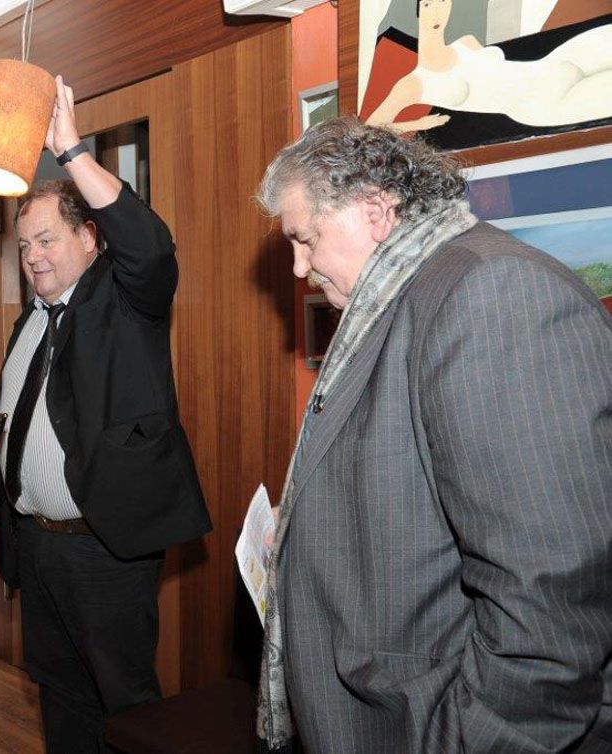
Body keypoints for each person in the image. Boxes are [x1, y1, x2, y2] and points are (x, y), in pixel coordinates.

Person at [254, 117, 612, 752]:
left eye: (305, 239)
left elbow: (548, 599)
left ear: (374, 210)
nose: (300, 266)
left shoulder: (494, 294)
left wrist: (475, 738)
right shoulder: (406, 293)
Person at [0, 75, 212, 753]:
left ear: (91, 239)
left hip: (104, 548)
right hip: (36, 546)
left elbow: (151, 247)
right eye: (24, 246)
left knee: (126, 705)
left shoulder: (125, 304)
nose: (32, 257)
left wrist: (70, 151)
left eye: (46, 240)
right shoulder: (29, 323)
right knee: (59, 693)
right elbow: (10, 424)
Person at [365, 0, 612, 132]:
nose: (437, 12)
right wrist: (419, 124)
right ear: (418, 10)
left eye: (444, 1)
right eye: (429, 4)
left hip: (554, 63)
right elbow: (370, 128)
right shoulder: (413, 83)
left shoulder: (466, 43)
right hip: (541, 104)